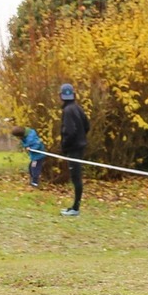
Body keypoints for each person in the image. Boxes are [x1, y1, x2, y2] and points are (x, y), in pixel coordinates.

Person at [58, 83, 89, 216]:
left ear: (61, 96)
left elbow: (70, 132)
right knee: (76, 177)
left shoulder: (68, 110)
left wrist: (65, 146)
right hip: (79, 147)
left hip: (74, 149)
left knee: (76, 177)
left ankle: (75, 208)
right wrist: (81, 138)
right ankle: (74, 207)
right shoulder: (77, 108)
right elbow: (87, 126)